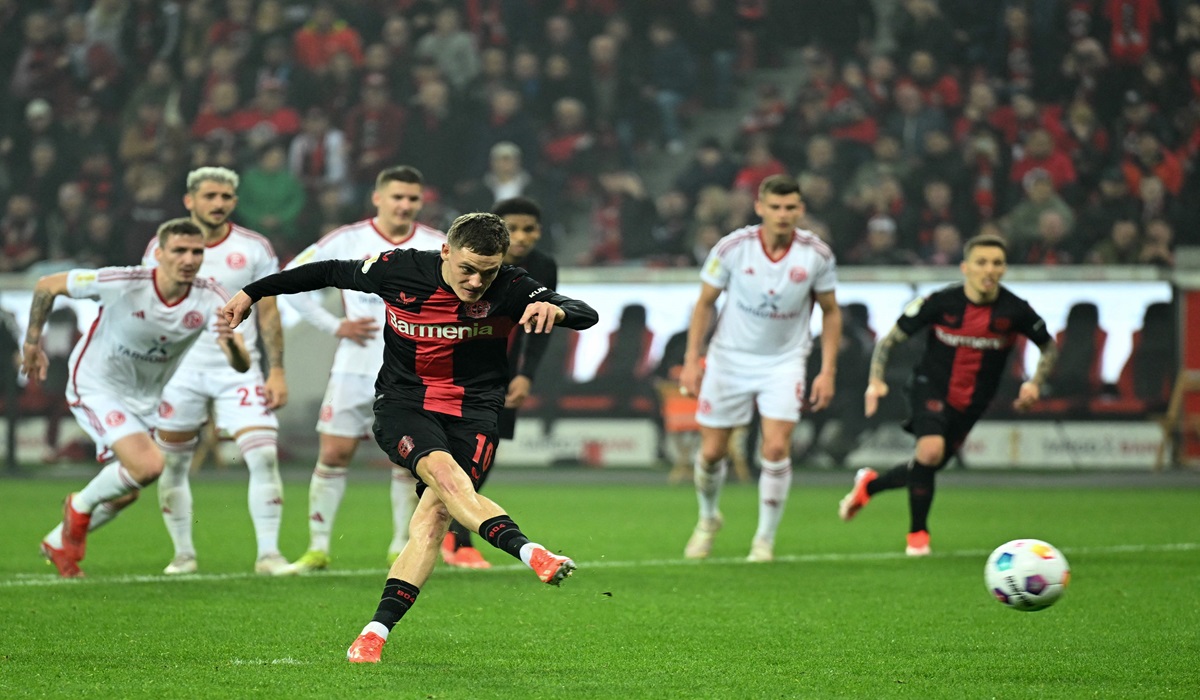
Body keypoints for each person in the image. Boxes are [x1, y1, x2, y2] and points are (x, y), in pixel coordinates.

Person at [221, 211, 598, 663]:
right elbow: (326, 271)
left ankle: (373, 634)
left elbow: (585, 314)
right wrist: (251, 290)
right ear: (445, 252)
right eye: (467, 269)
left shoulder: (513, 285)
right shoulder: (398, 269)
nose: (477, 282)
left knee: (434, 521)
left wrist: (555, 308)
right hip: (406, 404)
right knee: (445, 476)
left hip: (475, 412)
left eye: (488, 271)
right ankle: (531, 552)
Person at [25, 219, 251, 578]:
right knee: (148, 466)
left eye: (196, 251)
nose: (189, 258)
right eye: (179, 250)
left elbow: (242, 364)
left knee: (126, 491)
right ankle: (78, 505)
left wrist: (229, 344)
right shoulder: (124, 282)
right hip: (96, 383)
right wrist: (32, 342)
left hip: (144, 398)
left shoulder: (212, 295)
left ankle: (56, 541)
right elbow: (47, 285)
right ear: (159, 254)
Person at [838, 233, 1058, 555]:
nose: (989, 270)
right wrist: (876, 381)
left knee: (929, 464)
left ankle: (869, 486)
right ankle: (917, 537)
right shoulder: (941, 302)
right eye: (981, 262)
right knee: (929, 453)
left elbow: (1048, 347)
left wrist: (1035, 382)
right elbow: (889, 341)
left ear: (1004, 269)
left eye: (997, 263)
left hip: (973, 400)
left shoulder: (1015, 309)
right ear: (965, 267)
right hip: (931, 385)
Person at [281, 165, 447, 575]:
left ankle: (399, 546)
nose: (405, 205)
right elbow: (291, 279)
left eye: (412, 198)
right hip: (353, 370)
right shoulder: (347, 239)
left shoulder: (437, 243)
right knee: (335, 453)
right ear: (378, 198)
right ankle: (317, 548)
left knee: (407, 461)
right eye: (397, 197)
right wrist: (334, 324)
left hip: (413, 374)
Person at [680, 174, 843, 563]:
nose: (783, 214)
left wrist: (828, 371)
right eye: (775, 207)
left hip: (784, 362)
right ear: (760, 207)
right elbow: (705, 303)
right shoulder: (734, 247)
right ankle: (708, 518)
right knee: (712, 453)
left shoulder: (816, 254)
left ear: (801, 209)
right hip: (728, 359)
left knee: (774, 446)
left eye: (790, 207)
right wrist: (691, 361)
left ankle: (764, 540)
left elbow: (831, 311)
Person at [143, 167, 292, 576]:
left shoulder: (254, 247)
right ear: (189, 200)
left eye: (226, 196)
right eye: (210, 196)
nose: (219, 203)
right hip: (180, 368)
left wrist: (276, 370)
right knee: (172, 463)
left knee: (262, 455)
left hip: (239, 368)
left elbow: (270, 309)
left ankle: (269, 555)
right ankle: (183, 554)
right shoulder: (163, 245)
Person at [440, 196, 555, 569]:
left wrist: (525, 374)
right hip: (454, 368)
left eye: (529, 229)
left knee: (482, 453)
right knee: (449, 453)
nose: (521, 237)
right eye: (513, 228)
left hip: (501, 374)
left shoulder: (542, 267)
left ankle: (454, 533)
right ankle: (455, 537)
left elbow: (541, 326)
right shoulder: (472, 264)